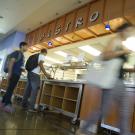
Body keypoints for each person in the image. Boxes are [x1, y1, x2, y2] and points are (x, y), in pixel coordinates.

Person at [76, 23, 135, 135]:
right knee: (104, 110)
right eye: (129, 30)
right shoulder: (115, 40)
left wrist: (132, 70)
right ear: (122, 30)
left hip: (119, 82)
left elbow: (119, 68)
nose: (131, 33)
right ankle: (83, 130)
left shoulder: (121, 44)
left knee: (125, 111)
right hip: (112, 82)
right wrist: (123, 52)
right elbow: (105, 56)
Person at [0, 42, 28, 113]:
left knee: (10, 88)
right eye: (26, 46)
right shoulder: (17, 53)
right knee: (10, 89)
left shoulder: (22, 55)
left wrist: (22, 69)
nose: (27, 48)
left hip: (17, 73)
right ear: (22, 46)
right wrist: (9, 73)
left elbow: (17, 64)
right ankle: (7, 104)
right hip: (14, 74)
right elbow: (11, 62)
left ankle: (3, 102)